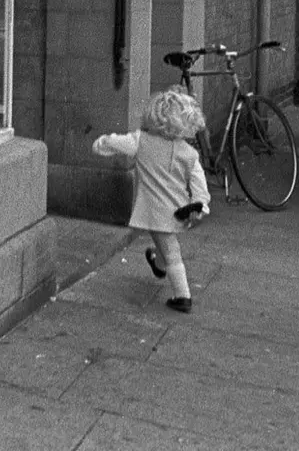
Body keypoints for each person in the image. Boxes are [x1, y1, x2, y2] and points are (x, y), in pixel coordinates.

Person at [91, 86, 212, 313]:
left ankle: (183, 296)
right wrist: (200, 205)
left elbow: (116, 143)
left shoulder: (142, 141)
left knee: (171, 250)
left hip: (156, 210)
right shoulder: (189, 154)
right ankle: (158, 264)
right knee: (164, 243)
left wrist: (102, 143)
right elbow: (199, 185)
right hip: (180, 209)